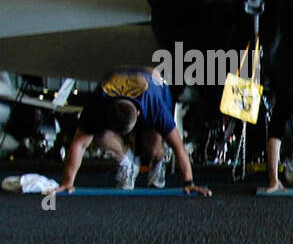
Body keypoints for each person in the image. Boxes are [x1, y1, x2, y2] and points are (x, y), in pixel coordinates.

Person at [58, 66, 209, 195]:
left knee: (153, 147)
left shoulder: (154, 106)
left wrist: (189, 182)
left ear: (138, 114)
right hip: (117, 78)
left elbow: (178, 146)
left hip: (155, 82)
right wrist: (67, 182)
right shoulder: (98, 102)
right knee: (97, 135)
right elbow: (79, 144)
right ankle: (126, 161)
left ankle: (158, 161)